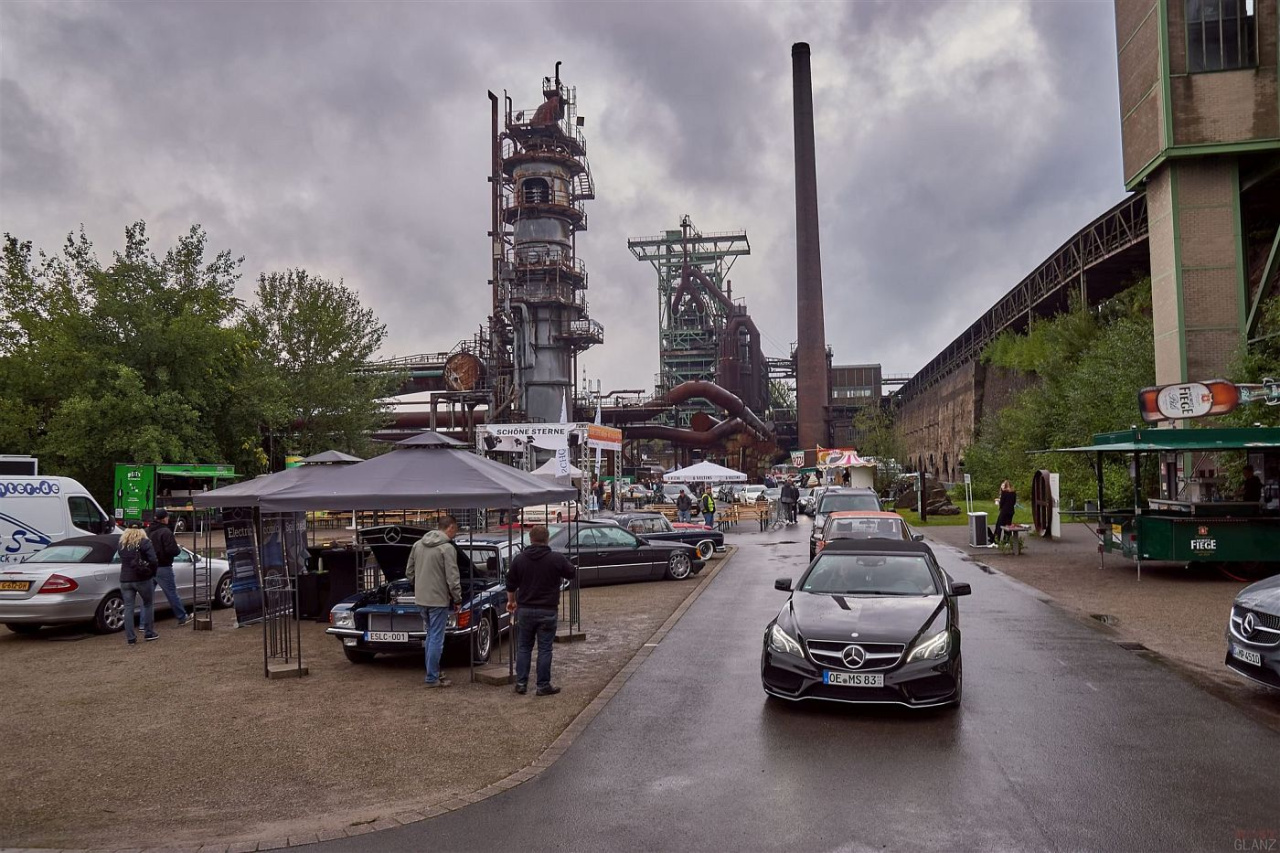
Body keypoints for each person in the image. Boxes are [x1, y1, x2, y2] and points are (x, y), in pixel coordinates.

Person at [505, 524, 575, 696]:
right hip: (548, 609)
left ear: (530, 539)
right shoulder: (556, 558)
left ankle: (521, 683)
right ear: (547, 539)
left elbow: (510, 584)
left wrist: (511, 601)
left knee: (523, 647)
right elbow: (571, 573)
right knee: (545, 649)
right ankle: (542, 685)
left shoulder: (520, 559)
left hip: (525, 609)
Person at [406, 515, 462, 687]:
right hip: (438, 599)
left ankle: (433, 671)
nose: (455, 533)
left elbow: (409, 572)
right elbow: (452, 577)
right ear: (450, 527)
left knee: (430, 635)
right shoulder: (447, 548)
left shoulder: (417, 544)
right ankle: (432, 676)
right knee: (437, 637)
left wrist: (419, 585)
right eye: (455, 530)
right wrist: (457, 598)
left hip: (421, 598)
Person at [147, 509, 190, 627]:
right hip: (163, 566)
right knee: (171, 593)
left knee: (147, 597)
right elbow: (172, 550)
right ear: (163, 519)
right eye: (167, 517)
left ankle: (144, 623)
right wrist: (178, 550)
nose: (168, 519)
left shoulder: (148, 531)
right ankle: (182, 617)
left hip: (149, 567)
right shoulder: (165, 532)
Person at [118, 524, 159, 645]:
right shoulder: (145, 542)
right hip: (142, 578)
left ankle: (130, 637)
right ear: (141, 530)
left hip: (125, 579)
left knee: (128, 607)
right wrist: (152, 572)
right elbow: (153, 559)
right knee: (148, 604)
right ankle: (149, 632)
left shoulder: (122, 544)